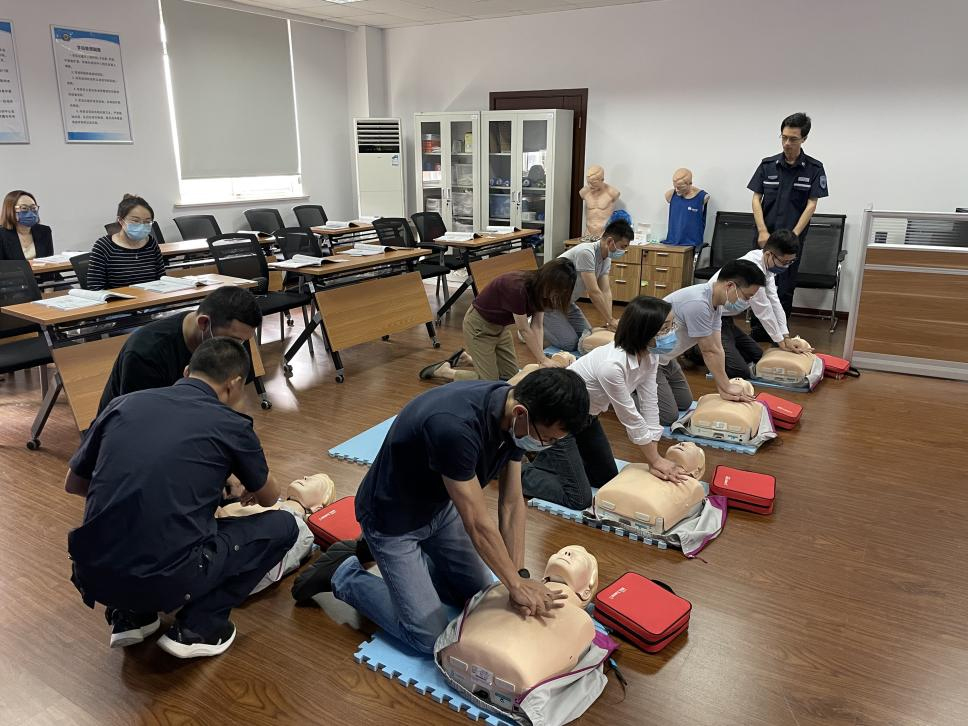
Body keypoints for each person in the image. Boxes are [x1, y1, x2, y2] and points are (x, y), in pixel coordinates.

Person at [291, 368, 591, 655]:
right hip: (392, 521)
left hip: (441, 509)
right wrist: (514, 584)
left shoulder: (515, 416)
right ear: (521, 413)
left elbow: (512, 503)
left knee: (482, 596)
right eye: (548, 439)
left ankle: (411, 566)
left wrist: (519, 576)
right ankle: (343, 575)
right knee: (428, 637)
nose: (545, 446)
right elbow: (477, 522)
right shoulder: (455, 427)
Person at [66, 338, 297, 658]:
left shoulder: (123, 404)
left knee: (141, 522)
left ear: (187, 371)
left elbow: (75, 484)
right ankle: (201, 626)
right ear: (234, 384)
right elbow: (270, 497)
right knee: (285, 525)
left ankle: (130, 615)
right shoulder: (231, 423)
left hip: (92, 572)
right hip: (167, 579)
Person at [522, 295, 689, 510]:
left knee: (605, 479)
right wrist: (655, 460)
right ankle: (517, 471)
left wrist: (654, 458)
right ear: (644, 331)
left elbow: (649, 402)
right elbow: (630, 416)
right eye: (665, 328)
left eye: (672, 326)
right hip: (557, 422)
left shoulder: (651, 355)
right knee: (579, 498)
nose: (672, 333)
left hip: (586, 417)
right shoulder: (612, 366)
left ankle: (544, 455)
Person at [97, 285, 261, 413]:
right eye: (235, 340)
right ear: (204, 323)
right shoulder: (145, 352)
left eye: (244, 340)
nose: (238, 347)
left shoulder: (235, 337)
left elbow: (234, 402)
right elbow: (138, 419)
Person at [420, 260, 578, 381]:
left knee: (510, 376)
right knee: (489, 382)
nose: (554, 294)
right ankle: (445, 371)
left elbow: (537, 326)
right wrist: (543, 359)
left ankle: (467, 359)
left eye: (559, 291)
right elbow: (524, 329)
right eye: (554, 289)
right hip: (478, 327)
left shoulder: (544, 293)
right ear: (546, 279)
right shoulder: (518, 287)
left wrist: (541, 359)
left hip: (501, 327)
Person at [748, 112, 828, 339]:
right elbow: (756, 198)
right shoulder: (768, 165)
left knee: (784, 286)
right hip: (765, 236)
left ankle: (779, 333)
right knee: (758, 282)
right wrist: (762, 230)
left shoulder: (814, 168)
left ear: (804, 139)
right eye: (783, 137)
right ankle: (757, 330)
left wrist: (794, 235)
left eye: (793, 139)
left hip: (792, 238)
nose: (787, 143)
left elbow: (811, 204)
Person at [655, 260, 765, 424]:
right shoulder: (698, 303)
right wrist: (726, 386)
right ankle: (625, 392)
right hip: (649, 360)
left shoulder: (716, 303)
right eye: (747, 296)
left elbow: (717, 348)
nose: (747, 302)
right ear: (730, 286)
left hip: (667, 359)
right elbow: (708, 351)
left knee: (684, 403)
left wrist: (723, 386)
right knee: (667, 417)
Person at [708, 229, 803, 378]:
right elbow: (763, 310)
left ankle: (718, 346)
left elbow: (774, 302)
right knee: (740, 371)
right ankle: (695, 348)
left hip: (725, 320)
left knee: (758, 356)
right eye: (784, 262)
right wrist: (780, 342)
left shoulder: (767, 268)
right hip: (710, 319)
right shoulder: (752, 269)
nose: (786, 266)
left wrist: (786, 336)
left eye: (791, 262)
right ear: (769, 255)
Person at [543, 219, 632, 351]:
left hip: (567, 302)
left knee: (586, 337)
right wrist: (610, 320)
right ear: (610, 241)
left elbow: (605, 291)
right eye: (623, 246)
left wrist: (609, 320)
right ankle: (534, 324)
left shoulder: (606, 258)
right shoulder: (586, 252)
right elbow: (593, 291)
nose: (624, 251)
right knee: (570, 344)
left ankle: (546, 324)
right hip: (548, 302)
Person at [87, 194, 166, 290]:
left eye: (147, 222)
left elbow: (162, 279)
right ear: (121, 220)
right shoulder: (104, 246)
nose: (141, 226)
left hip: (151, 297)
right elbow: (94, 287)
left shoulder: (151, 243)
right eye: (135, 221)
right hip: (117, 299)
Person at [1, 190, 54, 261]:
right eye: (24, 208)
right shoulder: (2, 234)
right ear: (10, 210)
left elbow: (49, 262)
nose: (30, 213)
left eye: (33, 208)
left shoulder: (44, 231)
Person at [663, 169, 709, 249]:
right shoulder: (670, 195)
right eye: (675, 187)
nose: (677, 190)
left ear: (690, 184)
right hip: (672, 243)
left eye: (680, 187)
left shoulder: (702, 197)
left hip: (692, 245)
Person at [578, 165, 622, 238]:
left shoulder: (612, 193)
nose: (590, 186)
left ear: (602, 179)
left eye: (593, 183)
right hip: (588, 232)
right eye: (588, 183)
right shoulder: (584, 192)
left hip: (605, 232)